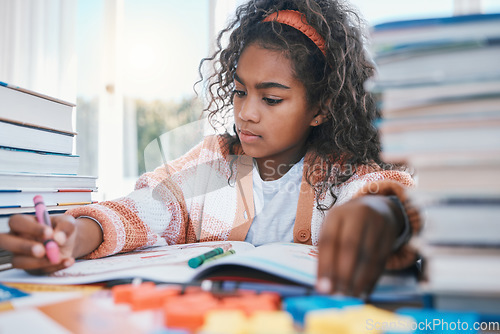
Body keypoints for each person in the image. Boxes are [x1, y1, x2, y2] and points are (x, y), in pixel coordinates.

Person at [0, 0, 420, 297]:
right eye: (239, 92)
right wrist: (76, 235)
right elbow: (145, 208)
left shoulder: (345, 172)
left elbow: (383, 192)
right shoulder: (212, 163)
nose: (247, 113)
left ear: (320, 108)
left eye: (271, 99)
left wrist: (381, 212)